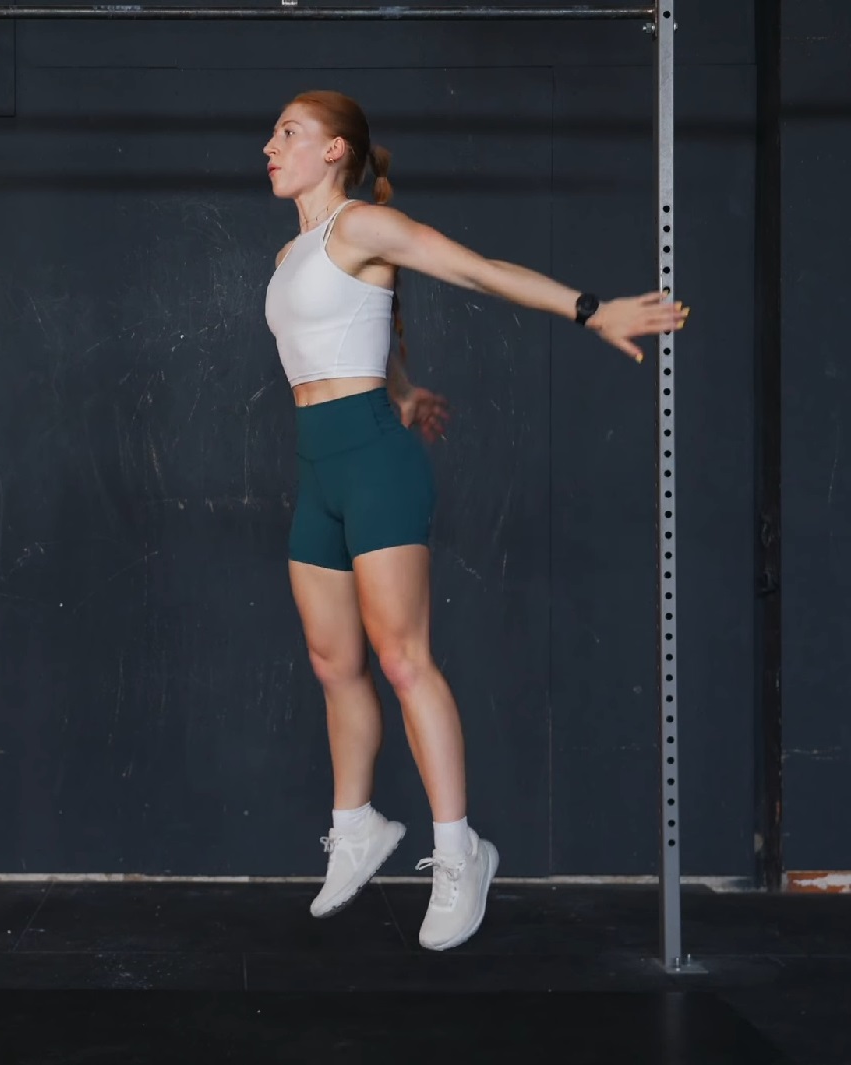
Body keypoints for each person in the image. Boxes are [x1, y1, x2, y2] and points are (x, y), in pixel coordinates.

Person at [261, 90, 688, 951]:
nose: (270, 146)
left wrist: (588, 308)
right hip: (318, 465)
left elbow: (477, 269)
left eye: (288, 133)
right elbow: (353, 332)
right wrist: (407, 388)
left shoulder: (360, 227)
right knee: (332, 659)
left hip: (375, 467)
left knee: (400, 658)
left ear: (336, 150)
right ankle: (358, 828)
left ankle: (461, 852)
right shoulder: (291, 249)